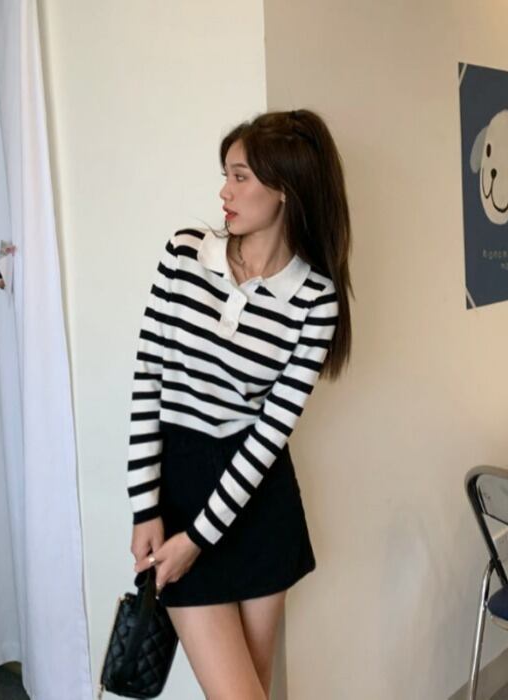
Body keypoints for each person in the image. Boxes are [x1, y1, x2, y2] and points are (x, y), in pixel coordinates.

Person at [126, 108, 352, 699]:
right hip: (178, 494)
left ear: (284, 189)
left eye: (240, 176)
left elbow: (269, 436)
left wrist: (198, 539)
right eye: (225, 175)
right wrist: (145, 508)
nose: (224, 192)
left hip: (255, 502)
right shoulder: (184, 253)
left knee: (253, 690)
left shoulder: (315, 298)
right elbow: (147, 382)